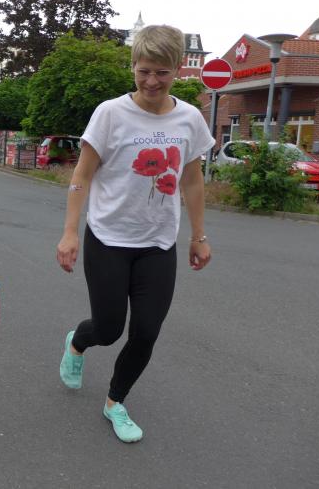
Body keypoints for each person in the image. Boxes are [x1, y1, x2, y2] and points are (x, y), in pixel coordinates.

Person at [56, 25, 214, 443]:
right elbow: (81, 175)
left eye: (162, 72)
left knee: (146, 332)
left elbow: (192, 180)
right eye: (144, 71)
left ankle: (115, 402)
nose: (152, 81)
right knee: (108, 329)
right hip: (108, 238)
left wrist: (198, 236)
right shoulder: (110, 113)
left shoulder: (189, 118)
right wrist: (70, 232)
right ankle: (78, 342)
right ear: (133, 67)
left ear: (177, 69)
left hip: (158, 244)